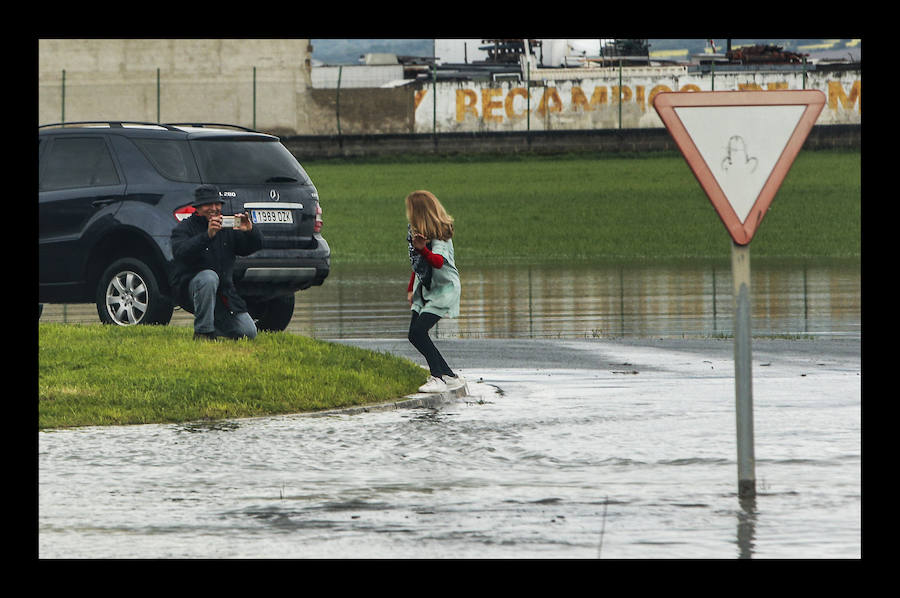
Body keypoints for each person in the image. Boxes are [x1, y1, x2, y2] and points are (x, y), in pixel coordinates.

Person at [170, 184, 263, 341]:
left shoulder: (228, 225)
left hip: (224, 293)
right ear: (197, 208)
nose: (214, 208)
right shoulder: (185, 227)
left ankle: (214, 326)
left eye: (217, 204)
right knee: (209, 277)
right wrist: (208, 235)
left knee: (249, 333)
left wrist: (250, 231)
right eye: (208, 204)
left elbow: (252, 247)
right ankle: (203, 333)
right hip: (192, 290)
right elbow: (180, 253)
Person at [405, 190, 465, 393]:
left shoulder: (441, 235)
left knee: (419, 332)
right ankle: (449, 376)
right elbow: (418, 264)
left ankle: (437, 377)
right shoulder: (417, 235)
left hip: (444, 290)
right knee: (414, 335)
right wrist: (410, 288)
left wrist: (423, 248)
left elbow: (438, 262)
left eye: (411, 210)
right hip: (425, 290)